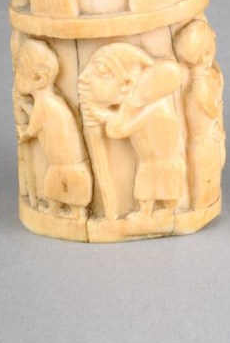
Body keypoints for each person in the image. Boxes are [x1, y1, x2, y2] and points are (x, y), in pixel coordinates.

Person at [78, 43, 185, 219]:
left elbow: (116, 130)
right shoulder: (147, 106)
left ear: (127, 84)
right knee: (151, 189)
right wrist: (107, 114)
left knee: (158, 189)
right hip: (152, 161)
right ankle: (150, 211)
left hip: (159, 162)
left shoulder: (154, 109)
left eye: (101, 70)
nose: (83, 77)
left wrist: (107, 112)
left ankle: (157, 212)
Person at [15, 39, 92, 219]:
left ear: (38, 78)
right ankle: (56, 210)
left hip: (63, 164)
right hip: (71, 163)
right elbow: (41, 122)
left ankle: (73, 214)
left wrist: (22, 134)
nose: (16, 75)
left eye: (20, 70)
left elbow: (32, 130)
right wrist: (25, 107)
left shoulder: (44, 104)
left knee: (58, 185)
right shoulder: (53, 101)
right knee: (57, 186)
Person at [174, 20, 226, 209]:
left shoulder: (203, 79)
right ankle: (200, 206)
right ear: (205, 53)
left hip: (206, 139)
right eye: (212, 40)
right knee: (205, 177)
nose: (215, 38)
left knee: (210, 172)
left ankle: (203, 203)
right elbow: (212, 110)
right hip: (203, 142)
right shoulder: (200, 86)